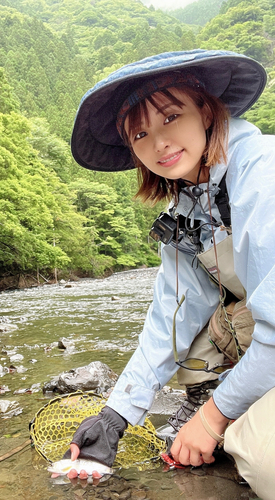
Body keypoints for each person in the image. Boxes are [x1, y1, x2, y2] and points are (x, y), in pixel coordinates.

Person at [63, 49, 275, 500]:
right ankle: (231, 406)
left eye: (171, 116)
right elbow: (173, 314)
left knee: (264, 463)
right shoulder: (185, 208)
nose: (158, 141)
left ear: (206, 112)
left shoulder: (262, 172)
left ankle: (230, 417)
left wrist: (212, 418)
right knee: (195, 333)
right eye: (140, 132)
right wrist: (116, 416)